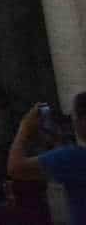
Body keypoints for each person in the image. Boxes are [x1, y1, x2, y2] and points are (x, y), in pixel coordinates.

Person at [8, 94, 86, 223]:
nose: (73, 121)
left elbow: (15, 168)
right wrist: (57, 142)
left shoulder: (74, 158)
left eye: (75, 116)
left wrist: (25, 127)